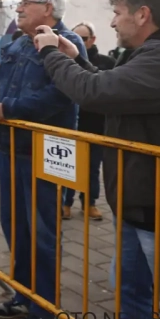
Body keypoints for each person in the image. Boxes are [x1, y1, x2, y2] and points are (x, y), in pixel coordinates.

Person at [34, 0, 160, 319]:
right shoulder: (152, 53)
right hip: (139, 204)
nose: (113, 21)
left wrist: (52, 52)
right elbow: (115, 95)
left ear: (142, 14)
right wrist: (78, 59)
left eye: (117, 12)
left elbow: (95, 93)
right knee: (130, 296)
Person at [0, 0, 86, 319]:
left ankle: (46, 308)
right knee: (15, 227)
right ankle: (22, 294)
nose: (18, 8)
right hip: (10, 150)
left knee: (42, 233)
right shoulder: (19, 42)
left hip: (45, 154)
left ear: (48, 9)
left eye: (25, 3)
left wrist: (9, 110)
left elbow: (59, 97)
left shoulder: (68, 44)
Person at [61, 21, 115, 222]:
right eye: (74, 37)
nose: (78, 42)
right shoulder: (64, 60)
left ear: (92, 40)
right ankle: (66, 203)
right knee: (67, 167)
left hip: (95, 126)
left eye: (83, 38)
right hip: (70, 125)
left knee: (92, 168)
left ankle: (89, 203)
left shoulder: (107, 62)